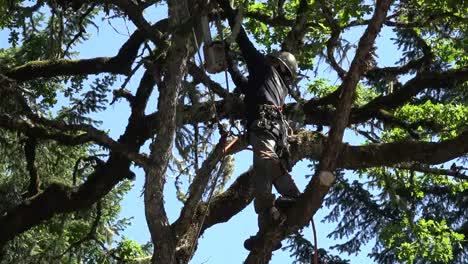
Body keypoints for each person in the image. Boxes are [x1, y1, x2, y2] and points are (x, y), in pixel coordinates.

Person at [217, 0, 301, 251]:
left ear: (276, 64)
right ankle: (270, 223)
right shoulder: (272, 85)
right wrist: (229, 63)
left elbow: (244, 42)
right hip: (267, 127)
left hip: (265, 126)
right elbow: (246, 87)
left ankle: (282, 205)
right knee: (265, 168)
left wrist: (228, 12)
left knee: (263, 163)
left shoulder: (267, 71)